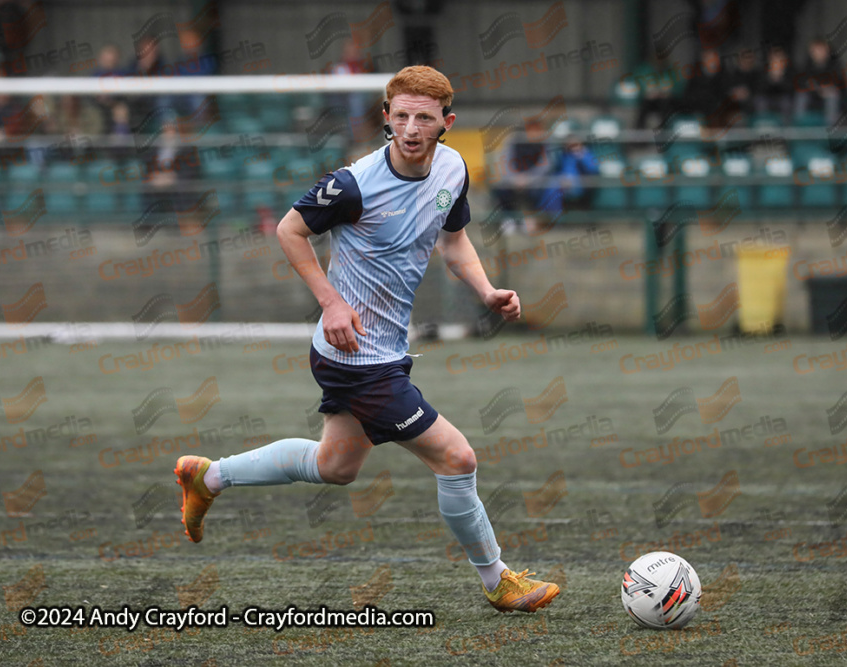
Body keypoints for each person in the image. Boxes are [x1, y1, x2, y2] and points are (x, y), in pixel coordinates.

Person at [174, 65, 560, 614]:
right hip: (357, 358)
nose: (409, 127)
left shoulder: (452, 169)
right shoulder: (354, 184)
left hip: (382, 352)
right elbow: (289, 230)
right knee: (456, 458)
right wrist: (331, 301)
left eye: (423, 118)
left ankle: (207, 477)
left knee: (336, 467)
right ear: (385, 118)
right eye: (399, 116)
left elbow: (454, 243)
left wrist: (486, 289)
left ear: (445, 123)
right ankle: (498, 581)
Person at [794, 37, 845, 125]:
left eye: (820, 50)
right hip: (812, 96)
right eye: (815, 50)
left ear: (827, 50)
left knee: (832, 95)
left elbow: (840, 83)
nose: (818, 53)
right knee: (801, 96)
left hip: (829, 95)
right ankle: (799, 126)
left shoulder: (835, 64)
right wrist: (816, 88)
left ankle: (830, 127)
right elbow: (801, 82)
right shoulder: (806, 64)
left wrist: (827, 88)